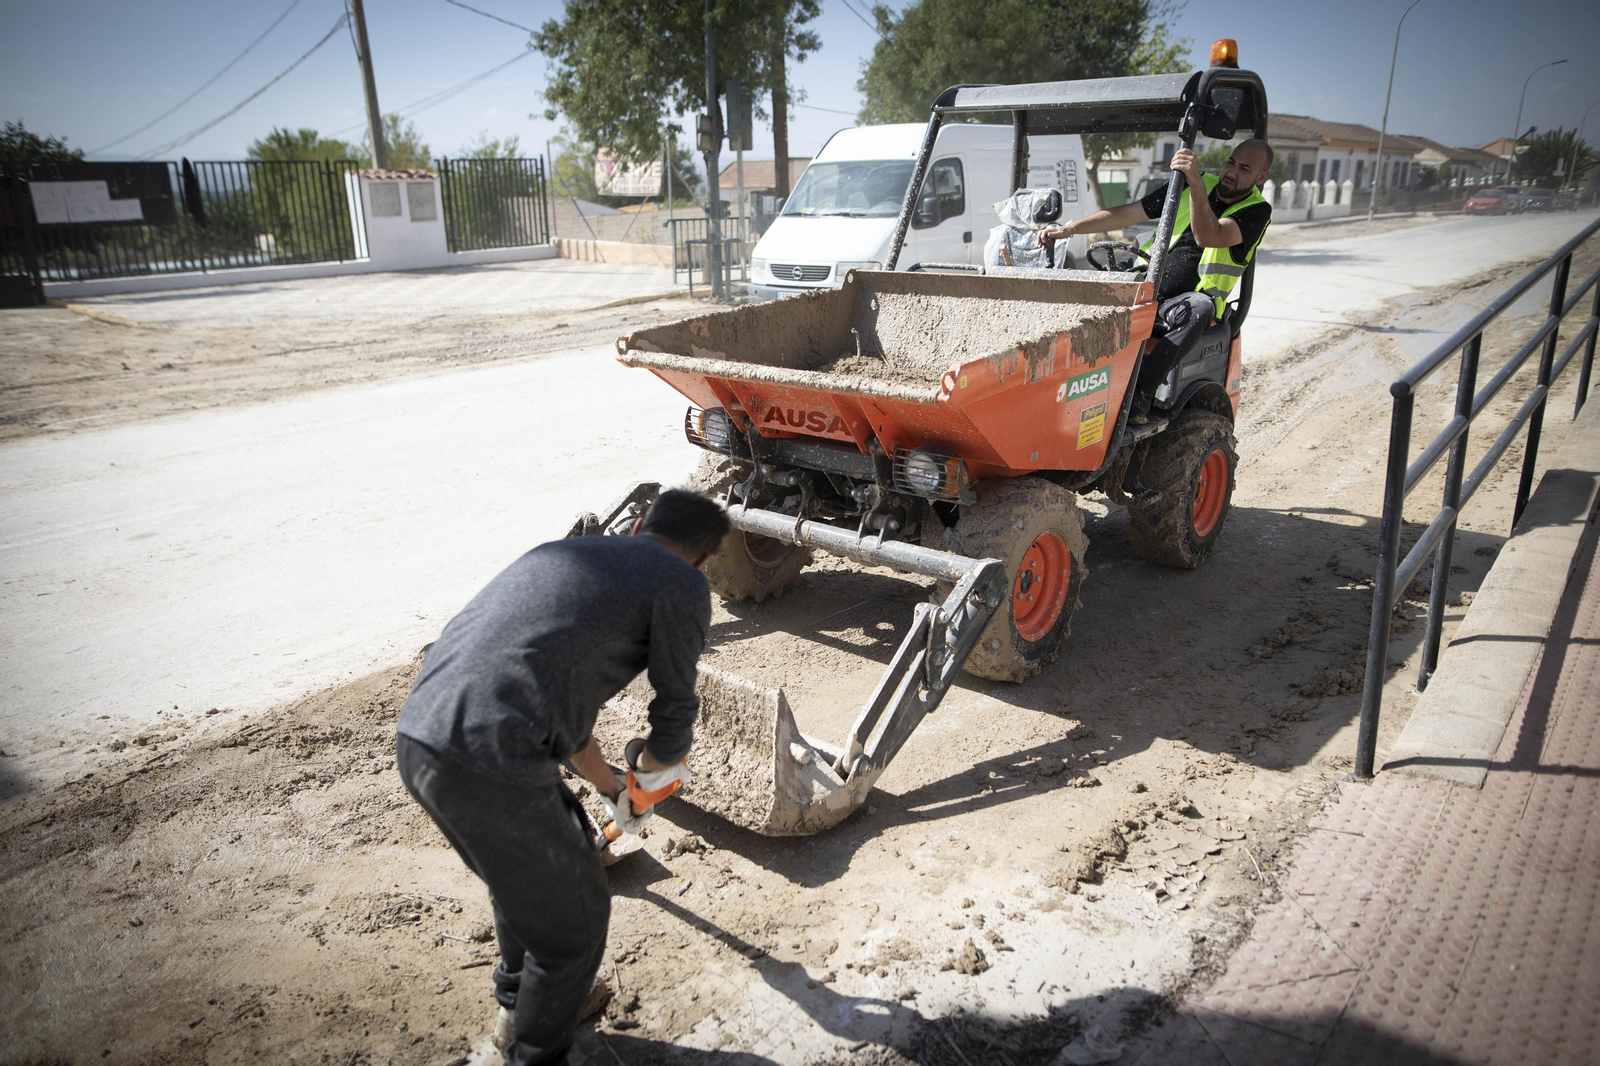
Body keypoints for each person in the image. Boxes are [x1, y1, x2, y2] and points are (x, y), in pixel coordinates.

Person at [394, 488, 730, 1065]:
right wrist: (649, 780)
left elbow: (569, 731)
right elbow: (673, 717)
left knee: (530, 879)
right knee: (573, 924)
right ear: (704, 559)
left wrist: (612, 789)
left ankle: (517, 1010)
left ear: (640, 525)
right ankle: (534, 1051)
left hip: (423, 739)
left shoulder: (566, 557)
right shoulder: (679, 580)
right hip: (493, 757)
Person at [1044, 140, 1273, 422]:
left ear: (1261, 177)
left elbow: (1209, 235)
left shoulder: (1257, 210)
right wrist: (1070, 229)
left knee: (1199, 308)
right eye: (1231, 163)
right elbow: (1130, 212)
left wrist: (1196, 186)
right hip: (1145, 287)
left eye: (1244, 168)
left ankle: (1139, 392)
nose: (1232, 172)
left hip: (1183, 305)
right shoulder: (1194, 183)